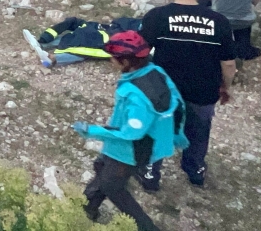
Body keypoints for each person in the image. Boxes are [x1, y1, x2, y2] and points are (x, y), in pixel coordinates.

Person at [73, 31, 187, 231]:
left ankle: (146, 227)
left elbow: (131, 133)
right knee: (102, 166)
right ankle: (87, 207)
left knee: (112, 186)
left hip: (130, 150)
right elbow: (178, 104)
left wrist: (92, 131)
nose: (110, 60)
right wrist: (177, 135)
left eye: (114, 58)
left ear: (126, 61)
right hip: (144, 144)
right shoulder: (156, 72)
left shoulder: (136, 96)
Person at [139, 0, 236, 189]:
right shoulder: (219, 21)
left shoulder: (157, 16)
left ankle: (151, 174)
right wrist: (226, 87)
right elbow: (229, 63)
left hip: (165, 90)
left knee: (158, 129)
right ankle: (196, 170)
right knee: (199, 130)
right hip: (203, 90)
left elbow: (140, 53)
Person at [22, 16, 142, 68]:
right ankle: (42, 44)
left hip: (102, 36)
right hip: (101, 34)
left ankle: (51, 57)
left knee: (83, 49)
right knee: (79, 45)